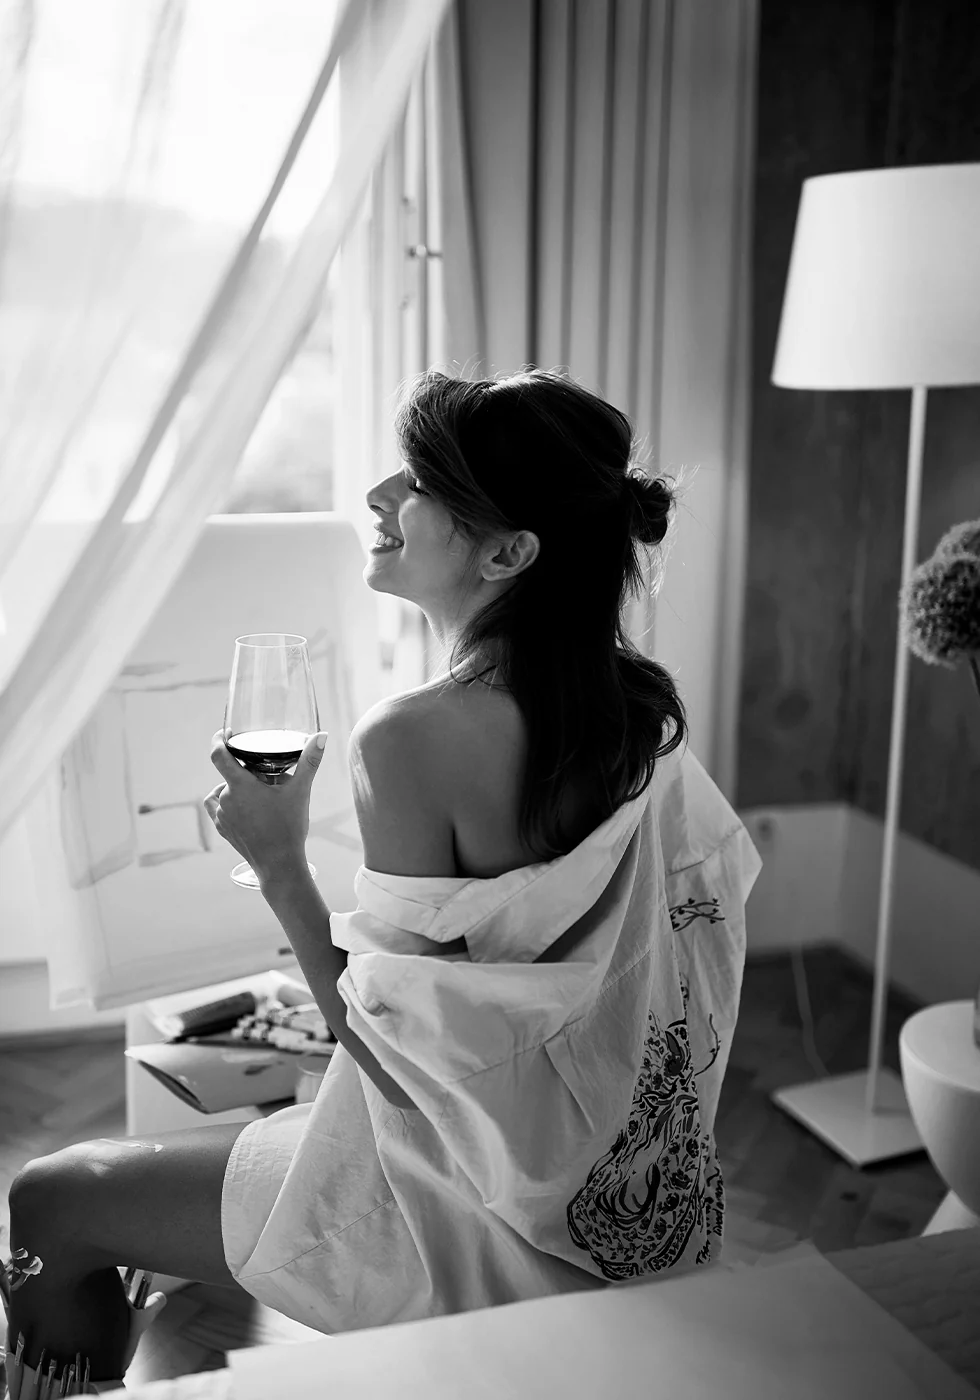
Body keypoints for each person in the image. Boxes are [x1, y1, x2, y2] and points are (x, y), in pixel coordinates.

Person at [2, 368, 762, 1392]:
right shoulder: (639, 717)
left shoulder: (411, 738)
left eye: (419, 481)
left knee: (52, 1197)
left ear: (507, 552)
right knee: (193, 1161)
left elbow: (396, 1066)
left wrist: (278, 861)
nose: (377, 495)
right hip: (611, 1190)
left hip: (456, 1207)